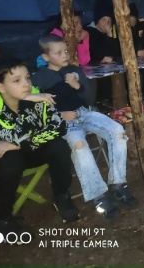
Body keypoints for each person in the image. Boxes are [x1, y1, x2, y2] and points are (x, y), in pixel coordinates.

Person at [32, 35, 138, 219]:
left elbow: (89, 99)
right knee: (80, 146)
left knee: (117, 131)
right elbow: (34, 108)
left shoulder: (74, 70)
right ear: (46, 57)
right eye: (58, 53)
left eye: (66, 51)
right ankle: (98, 196)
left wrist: (77, 86)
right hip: (63, 121)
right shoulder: (39, 78)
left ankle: (118, 184)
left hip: (84, 113)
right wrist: (59, 115)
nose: (65, 55)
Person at [0, 58, 79, 239]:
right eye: (17, 80)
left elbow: (58, 126)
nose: (26, 84)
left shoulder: (38, 96)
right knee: (11, 159)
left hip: (30, 148)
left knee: (59, 146)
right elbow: (8, 138)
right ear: (1, 87)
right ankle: (0, 218)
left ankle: (61, 195)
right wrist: (26, 101)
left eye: (28, 78)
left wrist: (23, 141)